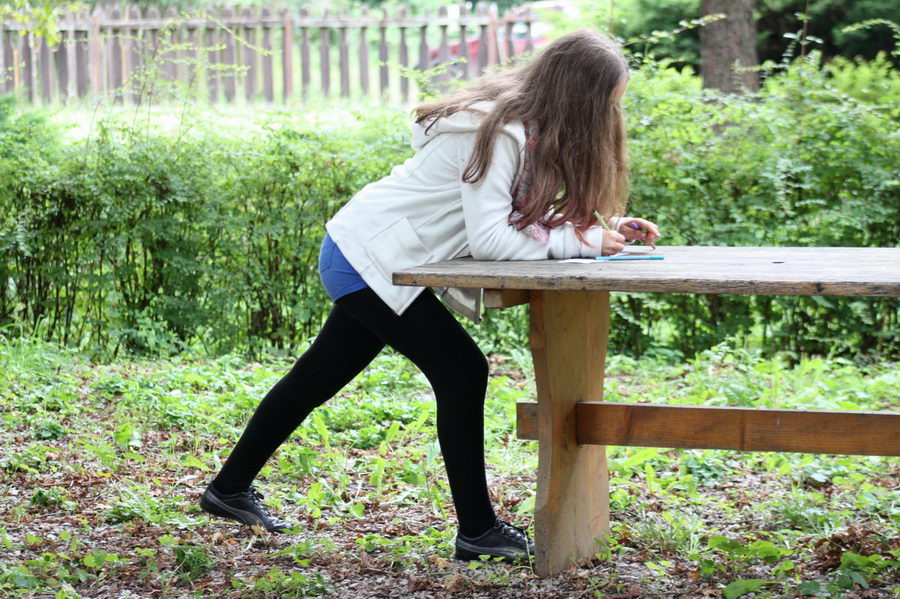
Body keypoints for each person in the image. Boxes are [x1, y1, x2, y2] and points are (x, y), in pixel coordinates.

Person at [199, 28, 661, 563]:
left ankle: (227, 489)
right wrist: (582, 243)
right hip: (368, 258)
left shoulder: (527, 131)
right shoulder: (500, 133)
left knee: (318, 376)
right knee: (461, 369)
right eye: (608, 103)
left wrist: (600, 231)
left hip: (378, 255)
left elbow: (509, 217)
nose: (610, 115)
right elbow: (491, 241)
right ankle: (478, 530)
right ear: (579, 96)